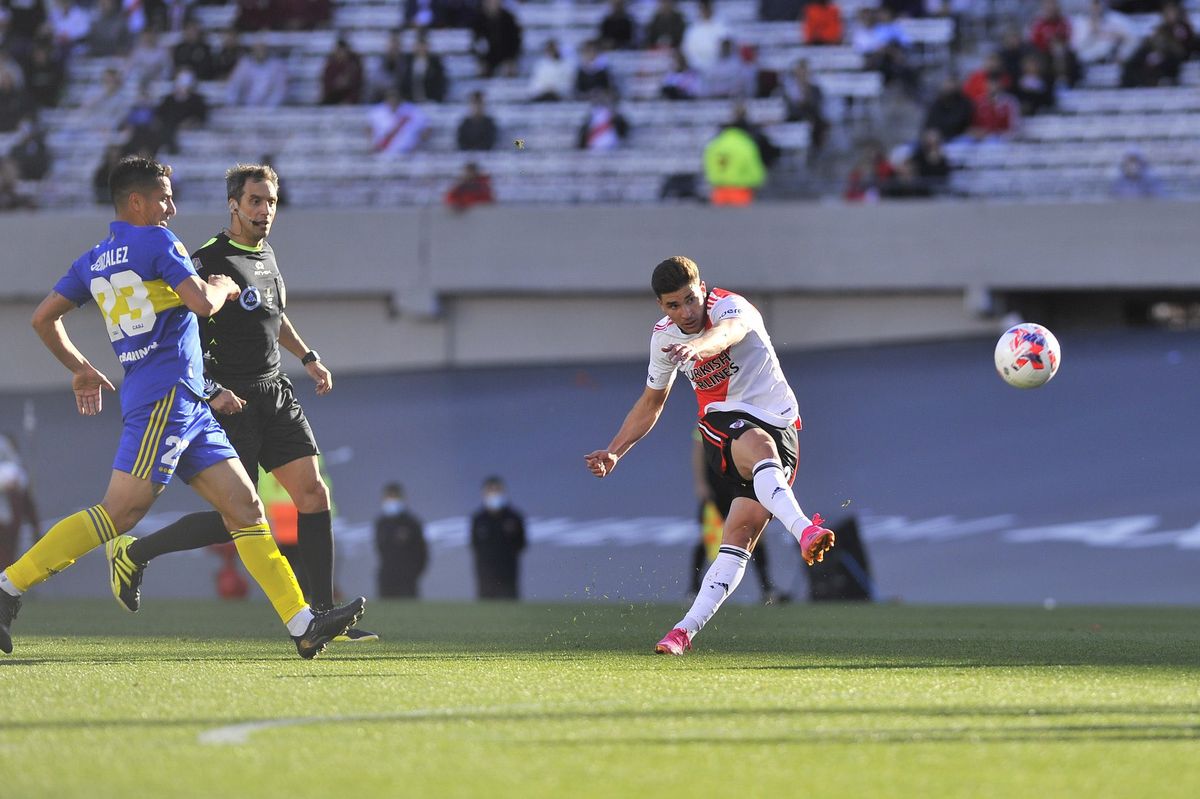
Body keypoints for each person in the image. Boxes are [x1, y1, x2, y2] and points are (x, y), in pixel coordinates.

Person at [0, 156, 365, 658]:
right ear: (136, 201)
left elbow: (44, 319)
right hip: (163, 399)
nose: (172, 206)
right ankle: (8, 588)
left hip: (190, 399)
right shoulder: (157, 241)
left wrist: (80, 367)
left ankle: (304, 625)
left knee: (245, 506)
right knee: (120, 513)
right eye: (164, 197)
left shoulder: (95, 257)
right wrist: (224, 286)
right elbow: (202, 303)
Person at [103, 163, 378, 644]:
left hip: (276, 391)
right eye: (255, 201)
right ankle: (136, 552)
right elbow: (183, 333)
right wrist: (210, 390)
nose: (264, 211)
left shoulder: (267, 255)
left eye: (271, 202)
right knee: (239, 518)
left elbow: (274, 317)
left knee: (313, 494)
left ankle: (322, 615)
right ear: (234, 204)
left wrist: (308, 357)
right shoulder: (208, 259)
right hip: (232, 399)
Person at [584, 256, 835, 655]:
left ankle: (683, 632)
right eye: (673, 305)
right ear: (661, 306)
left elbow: (728, 334)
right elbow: (652, 402)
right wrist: (616, 451)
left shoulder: (730, 306)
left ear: (703, 289)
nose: (685, 312)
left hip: (782, 421)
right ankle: (805, 529)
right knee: (758, 447)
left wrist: (696, 348)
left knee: (740, 533)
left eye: (690, 299)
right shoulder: (663, 339)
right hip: (723, 421)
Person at [689, 431, 783, 603]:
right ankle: (693, 590)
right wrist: (701, 483)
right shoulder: (710, 415)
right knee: (707, 538)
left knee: (754, 535)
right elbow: (698, 449)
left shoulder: (746, 417)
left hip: (739, 486)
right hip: (715, 488)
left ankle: (768, 590)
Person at [470, 476, 526, 600]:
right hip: (485, 575)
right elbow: (474, 545)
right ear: (484, 494)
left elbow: (521, 544)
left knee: (509, 608)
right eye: (491, 491)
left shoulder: (514, 518)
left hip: (508, 574)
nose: (494, 494)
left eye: (497, 490)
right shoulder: (478, 519)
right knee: (486, 611)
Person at [374, 482, 427, 598]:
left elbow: (422, 552)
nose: (391, 501)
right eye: (389, 497)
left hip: (407, 581)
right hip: (386, 579)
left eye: (394, 497)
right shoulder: (381, 523)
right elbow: (379, 549)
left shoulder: (411, 523)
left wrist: (413, 573)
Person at [0, 433, 40, 572]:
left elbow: (28, 503)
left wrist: (36, 527)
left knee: (6, 559)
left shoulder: (15, 473)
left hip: (8, 526)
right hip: (8, 524)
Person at [369, 90, 429, 155]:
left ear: (400, 99)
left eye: (395, 98)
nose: (393, 101)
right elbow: (368, 128)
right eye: (390, 98)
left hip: (409, 153)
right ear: (386, 99)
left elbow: (427, 128)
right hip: (384, 153)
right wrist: (372, 143)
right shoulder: (378, 112)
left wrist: (417, 145)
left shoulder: (413, 110)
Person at [472, 0, 522, 77]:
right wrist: (481, 60)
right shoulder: (478, 20)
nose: (492, 4)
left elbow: (515, 41)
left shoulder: (509, 18)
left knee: (510, 70)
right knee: (481, 71)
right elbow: (475, 43)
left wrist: (511, 59)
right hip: (487, 57)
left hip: (506, 55)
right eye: (489, 2)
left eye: (495, 1)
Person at [320, 37, 364, 105]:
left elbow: (358, 86)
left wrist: (349, 99)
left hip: (350, 101)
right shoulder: (331, 66)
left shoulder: (354, 66)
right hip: (332, 100)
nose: (340, 54)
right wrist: (336, 85)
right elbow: (326, 85)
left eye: (342, 51)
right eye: (338, 51)